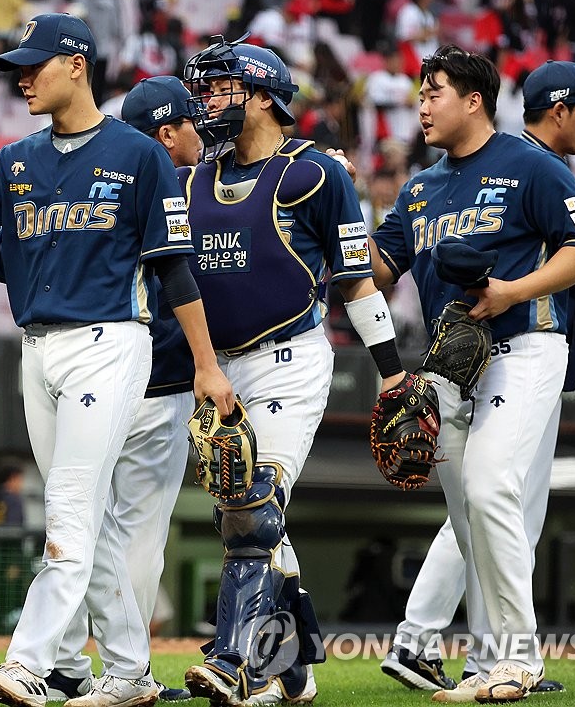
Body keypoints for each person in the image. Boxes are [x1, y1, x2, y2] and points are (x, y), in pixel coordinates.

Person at [0, 12, 234, 707]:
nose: (21, 78)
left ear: (77, 65)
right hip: (38, 350)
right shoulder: (16, 158)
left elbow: (175, 272)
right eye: (16, 68)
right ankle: (127, 674)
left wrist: (208, 365)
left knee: (66, 505)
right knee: (81, 515)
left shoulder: (138, 154)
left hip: (109, 341)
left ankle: (29, 662)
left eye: (34, 65)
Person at [369, 45, 575, 703]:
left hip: (525, 345)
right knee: (473, 513)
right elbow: (370, 274)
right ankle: (480, 665)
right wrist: (329, 225)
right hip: (447, 367)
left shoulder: (531, 166)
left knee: (490, 485)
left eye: (433, 91)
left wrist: (512, 290)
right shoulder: (420, 188)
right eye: (419, 92)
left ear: (474, 100)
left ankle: (515, 658)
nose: (420, 104)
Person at [178, 38, 411, 706]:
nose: (208, 101)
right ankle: (294, 671)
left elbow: (357, 281)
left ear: (261, 95)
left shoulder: (315, 175)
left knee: (253, 509)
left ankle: (234, 658)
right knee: (253, 515)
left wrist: (392, 375)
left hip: (291, 361)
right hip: (220, 370)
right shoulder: (193, 178)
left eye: (221, 88)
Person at [44, 76, 205, 705]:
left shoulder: (91, 174)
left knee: (77, 514)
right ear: (166, 132)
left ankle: (61, 660)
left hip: (79, 366)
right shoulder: (177, 186)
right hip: (154, 376)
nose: (201, 134)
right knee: (136, 531)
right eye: (190, 123)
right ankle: (127, 669)